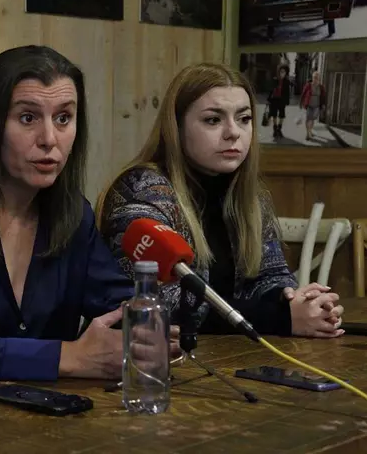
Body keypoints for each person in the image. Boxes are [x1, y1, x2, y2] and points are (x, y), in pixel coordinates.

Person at [0, 45, 181, 383]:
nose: (49, 139)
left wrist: (142, 332)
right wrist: (66, 356)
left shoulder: (73, 214)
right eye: (27, 118)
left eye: (63, 118)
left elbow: (116, 305)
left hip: (40, 409)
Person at [96, 62, 345, 339]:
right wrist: (280, 317)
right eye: (213, 120)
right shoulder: (140, 190)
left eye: (244, 119)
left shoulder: (250, 194)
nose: (233, 132)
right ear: (176, 127)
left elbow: (271, 274)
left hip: (227, 354)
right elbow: (161, 304)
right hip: (143, 355)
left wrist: (295, 301)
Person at [300, 71, 327, 141]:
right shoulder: (308, 85)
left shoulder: (321, 87)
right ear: (312, 78)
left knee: (312, 119)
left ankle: (310, 131)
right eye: (314, 77)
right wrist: (301, 103)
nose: (315, 79)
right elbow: (303, 93)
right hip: (309, 105)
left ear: (319, 78)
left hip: (317, 106)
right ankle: (307, 134)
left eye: (317, 78)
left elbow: (323, 96)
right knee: (308, 119)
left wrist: (323, 104)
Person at [267, 65, 291, 139]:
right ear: (279, 72)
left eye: (283, 72)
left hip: (282, 100)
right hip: (274, 99)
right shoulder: (275, 79)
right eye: (281, 72)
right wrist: (268, 99)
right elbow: (271, 90)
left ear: (286, 73)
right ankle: (275, 129)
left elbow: (287, 92)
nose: (282, 73)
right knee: (274, 114)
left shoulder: (287, 81)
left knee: (282, 115)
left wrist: (287, 101)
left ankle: (279, 129)